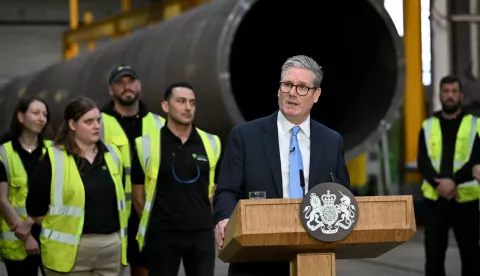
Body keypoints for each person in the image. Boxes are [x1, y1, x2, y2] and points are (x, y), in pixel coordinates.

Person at [213, 55, 350, 276]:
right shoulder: (245, 136)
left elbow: (342, 196)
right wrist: (224, 218)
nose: (293, 92)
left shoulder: (332, 141)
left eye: (302, 87)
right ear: (278, 90)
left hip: (314, 258)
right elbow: (226, 191)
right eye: (287, 84)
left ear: (317, 95)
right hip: (254, 258)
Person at [26, 97, 129, 276]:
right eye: (89, 122)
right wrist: (62, 227)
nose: (96, 126)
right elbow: (35, 207)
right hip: (69, 252)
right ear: (72, 125)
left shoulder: (113, 155)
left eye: (98, 120)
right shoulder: (54, 158)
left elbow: (119, 200)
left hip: (110, 249)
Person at [131, 82, 222, 276]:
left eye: (192, 103)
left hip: (201, 234)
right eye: (181, 101)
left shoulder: (211, 143)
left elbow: (215, 190)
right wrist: (157, 222)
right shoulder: (145, 145)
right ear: (166, 106)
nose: (188, 107)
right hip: (162, 235)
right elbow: (137, 196)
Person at [101, 64, 164, 276]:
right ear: (111, 89)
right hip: (108, 215)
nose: (126, 87)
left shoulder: (158, 124)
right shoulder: (97, 123)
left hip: (145, 215)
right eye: (120, 83)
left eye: (131, 82)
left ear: (139, 85)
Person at [417, 75, 480, 276]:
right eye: (446, 92)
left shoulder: (476, 124)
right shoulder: (427, 126)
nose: (450, 96)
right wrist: (440, 185)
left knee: (471, 259)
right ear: (440, 95)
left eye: (454, 92)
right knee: (434, 260)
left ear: (461, 95)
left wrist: (453, 182)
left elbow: (476, 159)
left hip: (466, 201)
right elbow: (423, 161)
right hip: (436, 202)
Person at [0, 96, 51, 276]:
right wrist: (27, 236)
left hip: (50, 238)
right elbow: (2, 200)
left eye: (44, 114)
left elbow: (60, 194)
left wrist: (31, 221)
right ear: (21, 117)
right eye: (35, 113)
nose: (41, 118)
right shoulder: (3, 153)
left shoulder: (53, 152)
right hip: (18, 239)